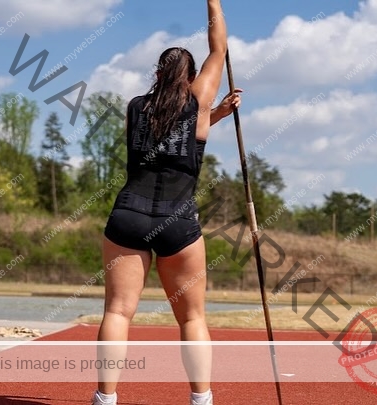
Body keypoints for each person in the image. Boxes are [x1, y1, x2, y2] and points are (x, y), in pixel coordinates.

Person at [92, 1, 241, 404]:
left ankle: (105, 400)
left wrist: (216, 114)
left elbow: (164, 138)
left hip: (128, 217)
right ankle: (201, 399)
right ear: (191, 78)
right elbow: (219, 48)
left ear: (156, 74)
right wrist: (213, 3)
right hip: (177, 221)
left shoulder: (134, 108)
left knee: (118, 313)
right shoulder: (197, 103)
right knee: (192, 318)